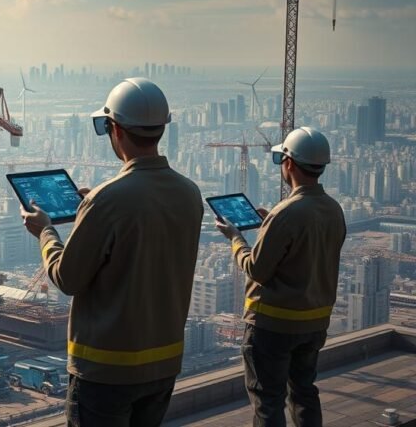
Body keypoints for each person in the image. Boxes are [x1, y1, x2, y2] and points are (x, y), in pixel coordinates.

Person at [21, 77, 202, 427]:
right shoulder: (189, 192)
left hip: (107, 369)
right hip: (163, 362)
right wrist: (92, 211)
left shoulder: (107, 199)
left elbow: (66, 277)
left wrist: (45, 231)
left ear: (114, 129)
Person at [215, 127, 345, 427]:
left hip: (273, 326)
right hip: (314, 323)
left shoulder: (285, 214)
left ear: (288, 163)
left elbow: (256, 269)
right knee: (304, 392)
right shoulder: (332, 209)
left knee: (268, 401)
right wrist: (271, 224)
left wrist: (236, 238)